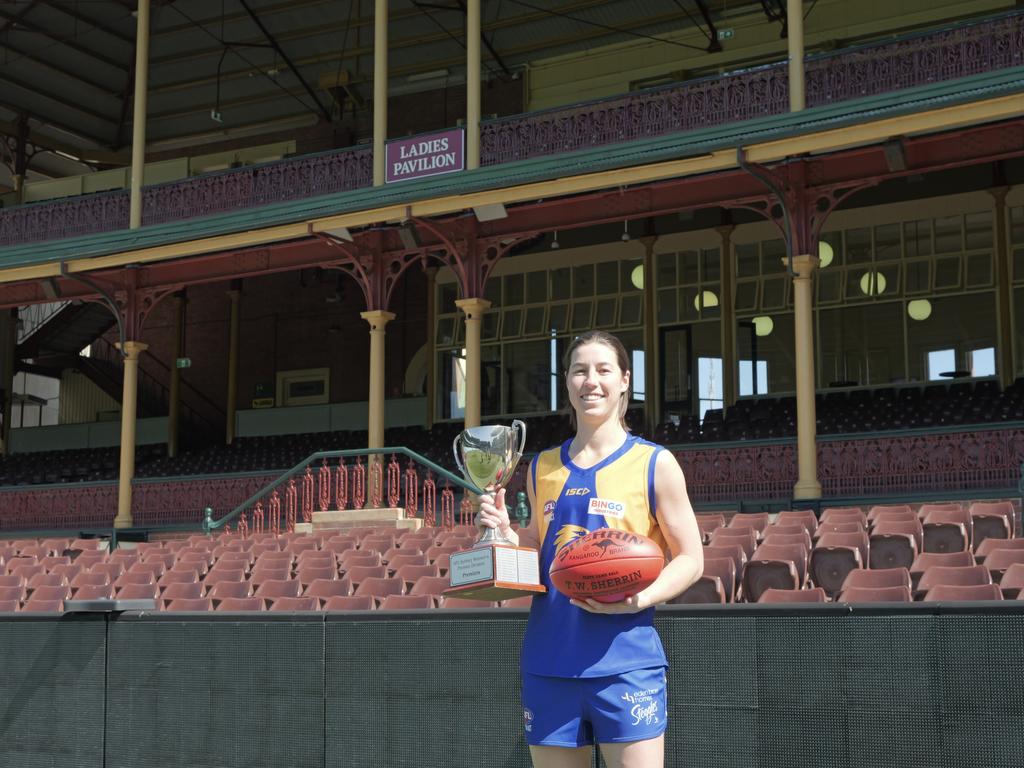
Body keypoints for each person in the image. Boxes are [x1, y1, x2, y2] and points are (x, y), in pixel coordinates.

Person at [477, 330, 704, 768]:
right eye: (580, 370)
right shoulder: (541, 467)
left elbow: (692, 559)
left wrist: (639, 598)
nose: (590, 381)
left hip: (626, 662)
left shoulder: (655, 463)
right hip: (549, 661)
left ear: (624, 380)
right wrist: (505, 537)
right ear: (567, 382)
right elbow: (534, 562)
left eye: (603, 370)